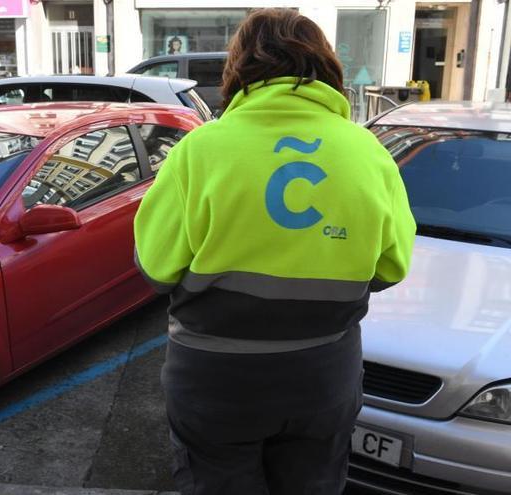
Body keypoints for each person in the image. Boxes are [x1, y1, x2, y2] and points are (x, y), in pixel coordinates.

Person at [133, 8, 415, 495]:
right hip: (324, 374)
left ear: (239, 68)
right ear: (325, 67)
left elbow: (157, 267)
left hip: (215, 380)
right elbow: (392, 266)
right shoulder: (368, 152)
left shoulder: (199, 150)